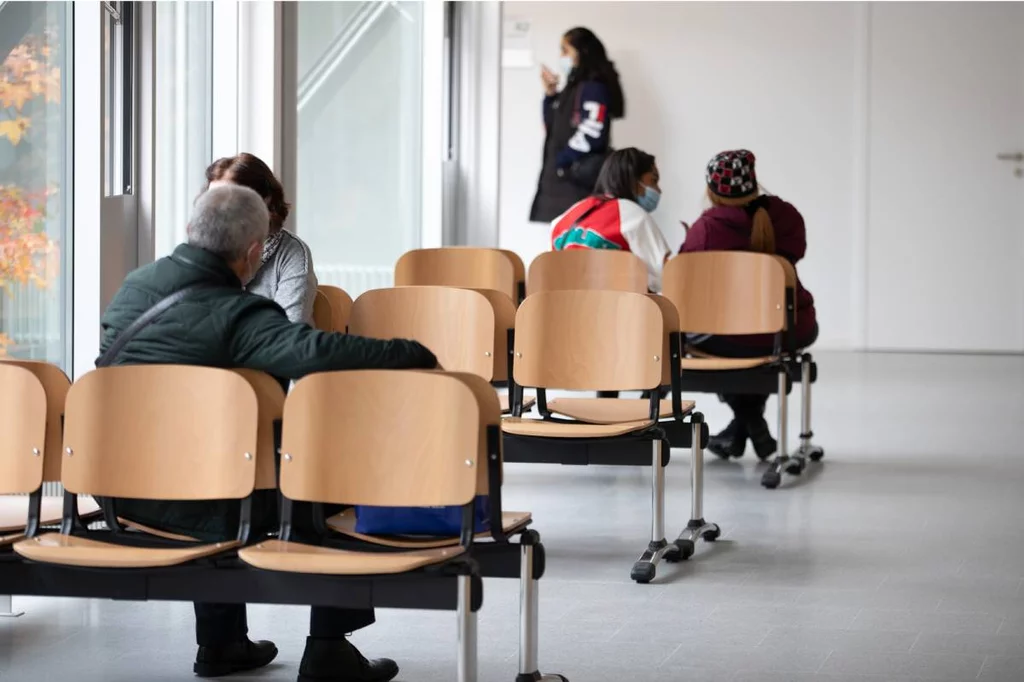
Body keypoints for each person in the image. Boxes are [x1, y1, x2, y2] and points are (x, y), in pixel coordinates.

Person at [99, 185, 435, 682]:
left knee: (216, 458)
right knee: (325, 480)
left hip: (118, 493)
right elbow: (316, 353)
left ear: (191, 231)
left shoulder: (134, 289)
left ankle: (221, 643)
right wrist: (413, 353)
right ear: (255, 252)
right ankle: (329, 649)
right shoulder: (239, 314)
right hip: (204, 502)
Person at [680, 149, 818, 461]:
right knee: (755, 346)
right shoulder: (786, 216)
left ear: (711, 190)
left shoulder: (706, 229)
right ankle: (748, 426)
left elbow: (686, 278)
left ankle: (747, 424)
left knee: (720, 339)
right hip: (784, 329)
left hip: (724, 336)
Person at [204, 152, 317, 324]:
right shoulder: (200, 250)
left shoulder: (292, 253)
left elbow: (287, 332)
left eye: (228, 200)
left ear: (265, 201)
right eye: (211, 201)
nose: (217, 212)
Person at [529, 27, 625, 223]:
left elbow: (593, 132)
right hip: (560, 187)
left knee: (574, 250)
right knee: (561, 248)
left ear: (582, 52)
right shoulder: (573, 88)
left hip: (575, 187)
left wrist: (562, 161)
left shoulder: (593, 88)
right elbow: (551, 128)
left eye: (565, 50)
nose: (561, 56)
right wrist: (550, 95)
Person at [550, 147, 671, 293]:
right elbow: (669, 277)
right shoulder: (633, 215)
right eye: (653, 180)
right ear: (634, 180)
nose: (658, 190)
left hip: (562, 311)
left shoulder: (562, 220)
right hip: (616, 311)